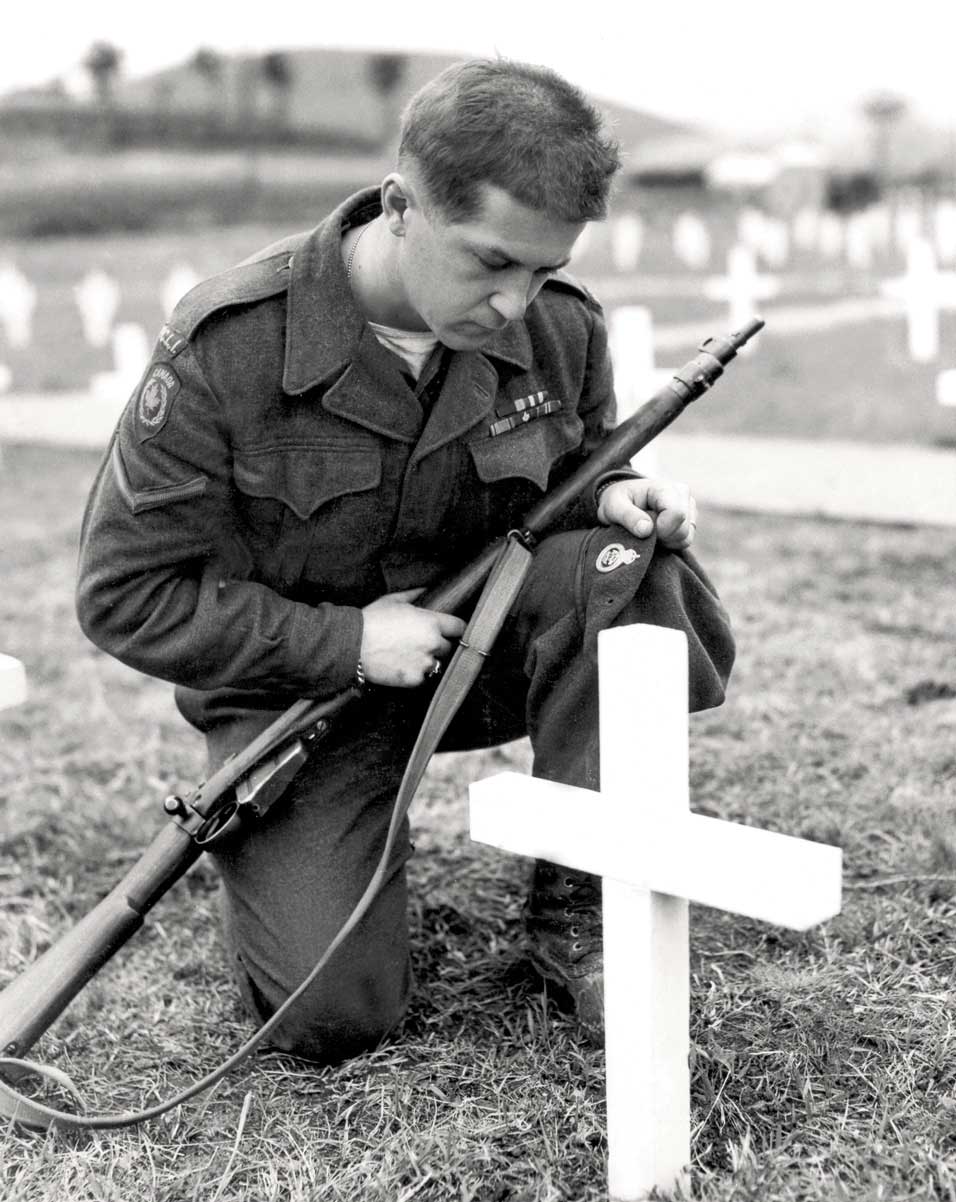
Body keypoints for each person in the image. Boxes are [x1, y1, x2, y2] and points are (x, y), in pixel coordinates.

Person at [76, 58, 734, 1059]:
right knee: (331, 1016)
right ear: (398, 207)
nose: (515, 303)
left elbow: (566, 473)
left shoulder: (561, 327)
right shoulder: (228, 348)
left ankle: (578, 911)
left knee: (627, 559)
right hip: (304, 698)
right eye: (490, 263)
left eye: (542, 270)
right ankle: (311, 855)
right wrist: (344, 641)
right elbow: (127, 596)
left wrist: (611, 494)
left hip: (476, 653)